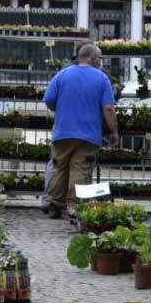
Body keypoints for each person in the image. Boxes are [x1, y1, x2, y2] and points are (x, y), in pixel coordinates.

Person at [44, 44, 118, 218]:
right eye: (99, 58)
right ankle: (73, 206)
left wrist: (61, 110)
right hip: (88, 134)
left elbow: (48, 99)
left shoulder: (62, 74)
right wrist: (114, 131)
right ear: (92, 58)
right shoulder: (101, 79)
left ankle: (55, 204)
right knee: (80, 169)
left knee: (59, 168)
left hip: (62, 131)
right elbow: (108, 108)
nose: (100, 61)